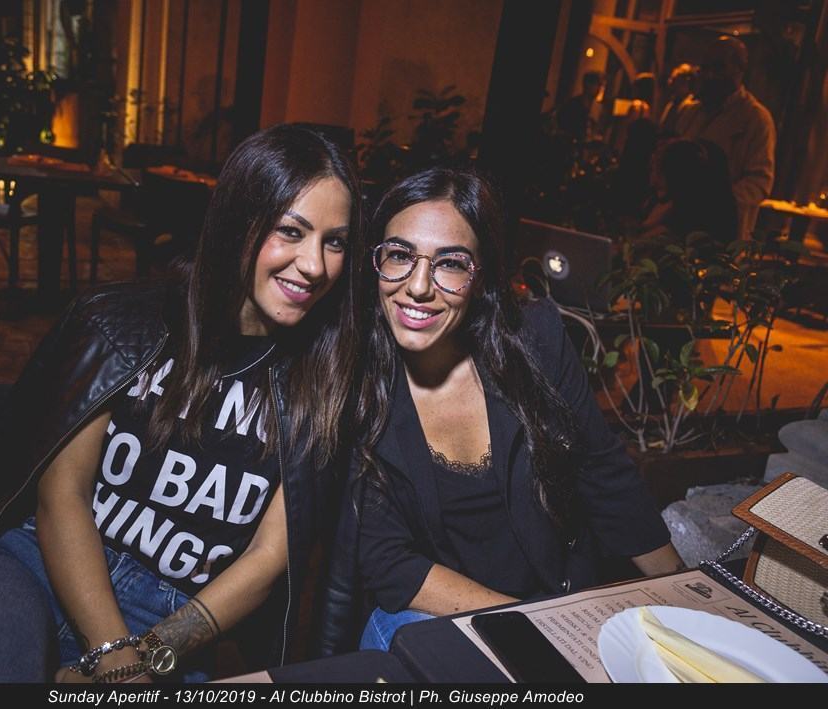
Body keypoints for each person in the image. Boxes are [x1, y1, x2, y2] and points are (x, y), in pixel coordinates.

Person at [0, 124, 363, 682]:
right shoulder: (117, 319)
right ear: (238, 220)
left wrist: (143, 656)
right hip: (17, 560)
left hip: (170, 622)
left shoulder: (325, 381)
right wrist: (113, 657)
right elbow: (60, 497)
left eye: (335, 242)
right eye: (290, 231)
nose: (314, 264)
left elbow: (268, 560)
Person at [319, 168, 683, 654]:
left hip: (557, 599)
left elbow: (604, 474)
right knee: (396, 628)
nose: (418, 286)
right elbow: (390, 562)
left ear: (481, 276)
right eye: (400, 255)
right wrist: (537, 628)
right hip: (448, 614)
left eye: (451, 263)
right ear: (376, 261)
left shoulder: (536, 340)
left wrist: (684, 590)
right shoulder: (353, 380)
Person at [672, 35, 775, 240]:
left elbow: (759, 182)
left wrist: (715, 202)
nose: (710, 75)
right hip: (676, 223)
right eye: (706, 67)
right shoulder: (691, 111)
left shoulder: (755, 119)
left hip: (721, 235)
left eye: (719, 68)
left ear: (740, 70)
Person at [557, 71, 604, 142]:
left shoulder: (597, 108)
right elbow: (563, 128)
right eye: (597, 85)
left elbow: (596, 130)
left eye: (600, 86)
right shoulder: (572, 105)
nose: (599, 89)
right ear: (587, 85)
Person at [658, 63, 697, 135]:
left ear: (686, 82)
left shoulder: (690, 106)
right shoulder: (672, 103)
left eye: (675, 80)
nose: (670, 83)